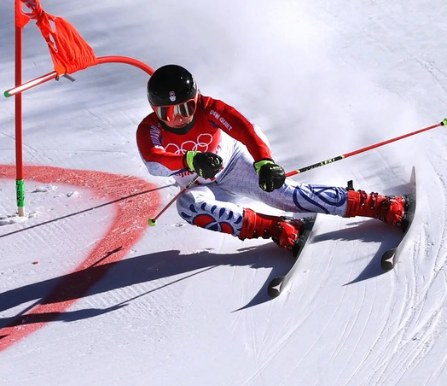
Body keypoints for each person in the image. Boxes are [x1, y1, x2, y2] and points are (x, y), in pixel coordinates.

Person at [137, 64, 406, 255]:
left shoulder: (209, 108)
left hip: (231, 166)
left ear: (197, 98)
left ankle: (378, 205)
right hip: (197, 182)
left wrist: (264, 162)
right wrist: (191, 160)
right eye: (168, 113)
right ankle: (279, 228)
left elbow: (245, 129)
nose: (180, 117)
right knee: (188, 206)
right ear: (154, 110)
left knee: (284, 195)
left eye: (187, 107)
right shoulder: (149, 130)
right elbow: (154, 161)